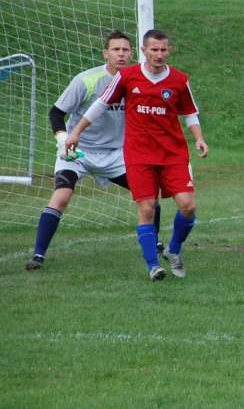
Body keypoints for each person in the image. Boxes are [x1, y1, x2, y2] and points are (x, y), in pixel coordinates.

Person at [67, 29, 208, 281]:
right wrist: (76, 131)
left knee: (188, 206)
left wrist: (198, 138)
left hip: (173, 154)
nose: (159, 54)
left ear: (169, 51)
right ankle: (153, 266)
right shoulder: (127, 76)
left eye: (163, 50)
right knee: (147, 207)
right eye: (154, 49)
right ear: (143, 51)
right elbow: (101, 104)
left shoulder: (178, 79)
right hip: (139, 155)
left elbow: (189, 113)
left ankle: (174, 249)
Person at [25, 31, 162, 270]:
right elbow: (56, 113)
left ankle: (155, 245)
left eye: (125, 50)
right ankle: (38, 255)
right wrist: (63, 140)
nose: (121, 54)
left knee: (149, 195)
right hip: (79, 152)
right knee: (62, 196)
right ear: (105, 53)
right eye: (116, 49)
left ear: (133, 53)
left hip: (116, 155)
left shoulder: (137, 81)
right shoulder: (86, 80)